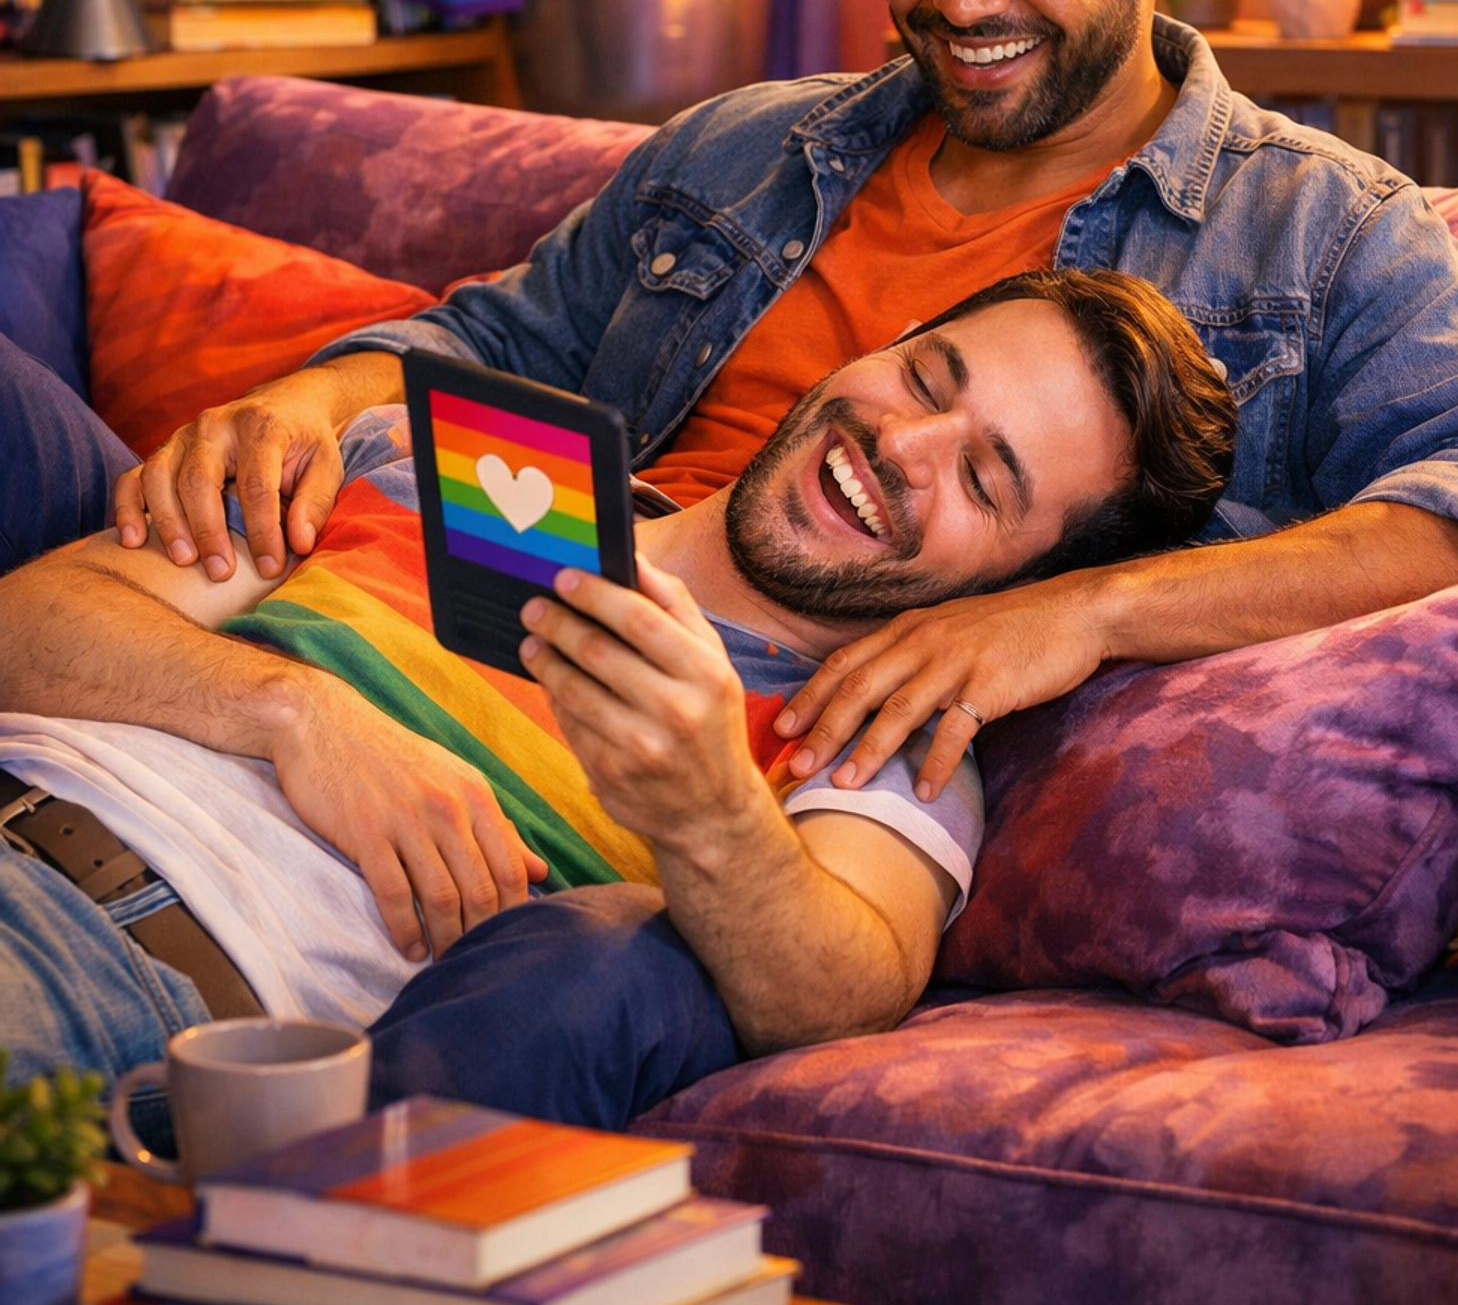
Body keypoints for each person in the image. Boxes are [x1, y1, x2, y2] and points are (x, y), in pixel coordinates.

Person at [10, 0, 1458, 852]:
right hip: (458, 599)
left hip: (718, 758)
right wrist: (304, 396)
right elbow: (495, 340)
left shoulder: (1326, 235)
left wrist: (1085, 613)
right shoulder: (746, 147)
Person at [0, 272, 1234, 1128]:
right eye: (926, 377)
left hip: (123, 966)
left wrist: (707, 811)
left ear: (1019, 579)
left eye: (984, 476)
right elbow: (29, 623)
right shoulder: (483, 470)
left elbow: (839, 986)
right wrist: (293, 714)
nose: (900, 447)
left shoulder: (879, 732)